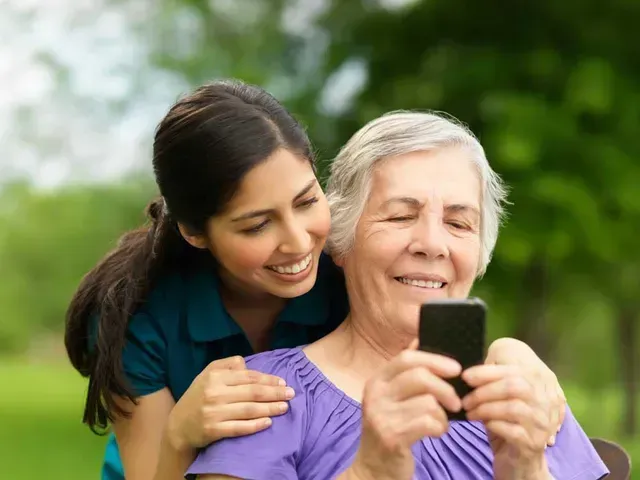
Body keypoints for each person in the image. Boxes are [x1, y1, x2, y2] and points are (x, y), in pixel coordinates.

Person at [64, 80, 565, 480]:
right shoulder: (139, 322)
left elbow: (428, 313)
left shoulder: (340, 269)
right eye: (257, 224)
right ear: (197, 232)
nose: (300, 242)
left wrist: (511, 352)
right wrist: (180, 433)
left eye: (306, 202)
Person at [186, 111, 608, 480]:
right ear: (341, 240)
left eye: (459, 224)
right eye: (401, 216)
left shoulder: (526, 390)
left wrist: (527, 472)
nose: (432, 244)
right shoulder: (264, 396)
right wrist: (369, 471)